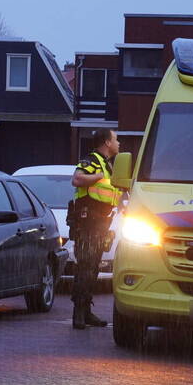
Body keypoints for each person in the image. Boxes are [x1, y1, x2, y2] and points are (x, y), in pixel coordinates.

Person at [70, 128, 122, 330]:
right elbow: (77, 179)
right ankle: (79, 314)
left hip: (100, 223)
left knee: (92, 267)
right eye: (116, 139)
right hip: (88, 222)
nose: (119, 144)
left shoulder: (107, 164)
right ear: (107, 143)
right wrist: (99, 175)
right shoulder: (93, 161)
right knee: (85, 266)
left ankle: (86, 310)